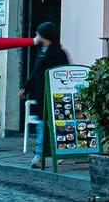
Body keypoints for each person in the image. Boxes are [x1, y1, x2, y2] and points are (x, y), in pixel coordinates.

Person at [18, 22, 71, 167]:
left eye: (39, 34)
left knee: (56, 125)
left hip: (55, 95)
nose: (37, 36)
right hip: (40, 94)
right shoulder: (41, 51)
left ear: (46, 35)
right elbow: (35, 71)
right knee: (42, 125)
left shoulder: (58, 53)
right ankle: (41, 154)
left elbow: (65, 73)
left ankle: (47, 154)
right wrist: (26, 88)